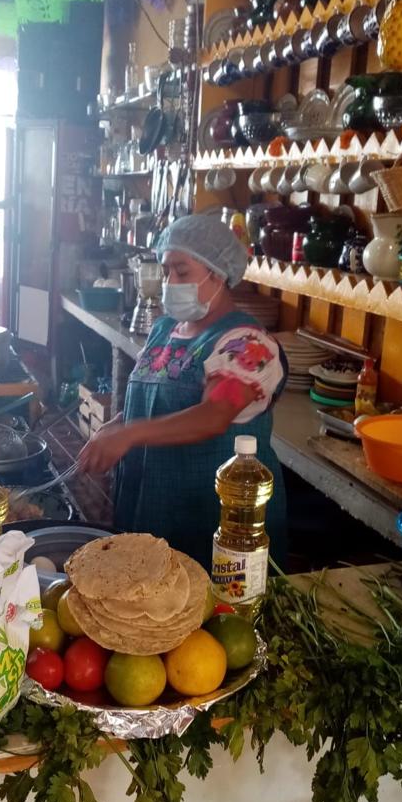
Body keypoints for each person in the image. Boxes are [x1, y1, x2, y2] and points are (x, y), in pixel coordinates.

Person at [78, 213, 288, 569]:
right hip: (151, 505)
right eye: (166, 272)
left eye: (182, 271)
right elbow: (155, 400)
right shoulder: (165, 330)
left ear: (218, 273)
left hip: (213, 521)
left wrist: (130, 434)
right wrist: (118, 424)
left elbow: (214, 416)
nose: (170, 282)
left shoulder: (247, 342)